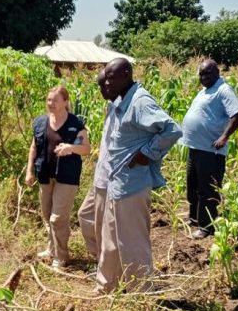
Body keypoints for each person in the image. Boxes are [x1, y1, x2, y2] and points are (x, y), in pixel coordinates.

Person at [96, 58, 182, 293]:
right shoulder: (125, 100)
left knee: (132, 243)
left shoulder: (140, 101)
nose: (107, 82)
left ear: (126, 74)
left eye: (111, 77)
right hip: (118, 182)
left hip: (132, 184)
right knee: (110, 240)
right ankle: (106, 285)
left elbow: (172, 129)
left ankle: (141, 293)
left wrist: (147, 153)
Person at [180, 59, 238, 239]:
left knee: (207, 189)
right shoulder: (205, 90)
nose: (203, 77)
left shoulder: (223, 90)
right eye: (201, 74)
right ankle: (195, 218)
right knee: (192, 186)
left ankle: (207, 226)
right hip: (196, 148)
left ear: (217, 72)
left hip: (211, 151)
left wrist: (224, 136)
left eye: (207, 73)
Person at [26, 86, 90, 269]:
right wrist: (29, 171)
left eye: (54, 100)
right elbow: (34, 148)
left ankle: (61, 257)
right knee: (47, 216)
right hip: (45, 175)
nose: (50, 104)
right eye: (48, 100)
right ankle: (51, 248)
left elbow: (86, 148)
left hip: (67, 177)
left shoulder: (75, 124)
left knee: (57, 218)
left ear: (65, 102)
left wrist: (71, 148)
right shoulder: (40, 122)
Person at [77, 69, 121, 258]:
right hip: (100, 176)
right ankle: (100, 260)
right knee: (85, 216)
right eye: (100, 86)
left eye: (105, 85)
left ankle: (106, 268)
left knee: (104, 226)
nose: (103, 89)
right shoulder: (111, 107)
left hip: (111, 179)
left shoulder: (124, 108)